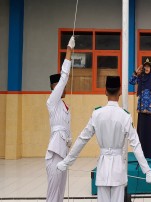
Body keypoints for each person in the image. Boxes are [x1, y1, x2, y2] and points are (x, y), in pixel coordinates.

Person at [56, 76, 151, 202]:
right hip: (118, 168)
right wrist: (147, 171)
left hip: (103, 168)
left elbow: (82, 140)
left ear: (105, 91)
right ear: (120, 91)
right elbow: (136, 145)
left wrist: (66, 162)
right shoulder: (125, 116)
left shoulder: (97, 114)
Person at [45, 35, 75, 202]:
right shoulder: (52, 100)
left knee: (60, 194)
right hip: (55, 152)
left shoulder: (64, 106)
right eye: (61, 86)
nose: (64, 87)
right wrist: (68, 51)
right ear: (55, 87)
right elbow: (64, 77)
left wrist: (69, 140)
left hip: (62, 151)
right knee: (53, 193)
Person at [129, 58, 151, 158]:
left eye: (148, 66)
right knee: (142, 131)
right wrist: (136, 72)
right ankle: (141, 152)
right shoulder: (140, 77)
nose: (147, 68)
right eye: (145, 66)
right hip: (141, 109)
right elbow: (131, 82)